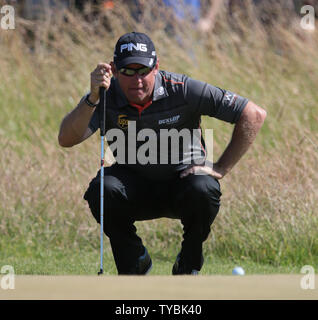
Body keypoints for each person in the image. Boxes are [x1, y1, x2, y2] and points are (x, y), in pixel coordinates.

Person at [58, 32, 267, 275]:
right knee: (102, 189)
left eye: (143, 70)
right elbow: (67, 139)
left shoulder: (183, 90)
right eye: (127, 71)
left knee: (204, 188)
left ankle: (188, 265)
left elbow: (253, 115)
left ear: (156, 67)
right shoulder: (106, 95)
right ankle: (134, 262)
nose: (136, 79)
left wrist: (221, 168)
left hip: (183, 187)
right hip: (133, 187)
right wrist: (93, 97)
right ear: (114, 70)